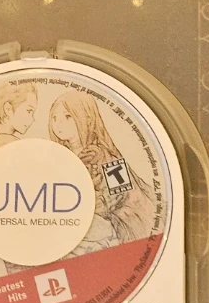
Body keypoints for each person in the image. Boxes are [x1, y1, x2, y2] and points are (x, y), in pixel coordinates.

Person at [48, 88, 157, 249]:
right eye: (54, 118)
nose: (59, 124)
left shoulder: (108, 158)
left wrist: (95, 205)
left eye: (68, 116)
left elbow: (122, 193)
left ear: (87, 119)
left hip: (110, 225)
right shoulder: (58, 157)